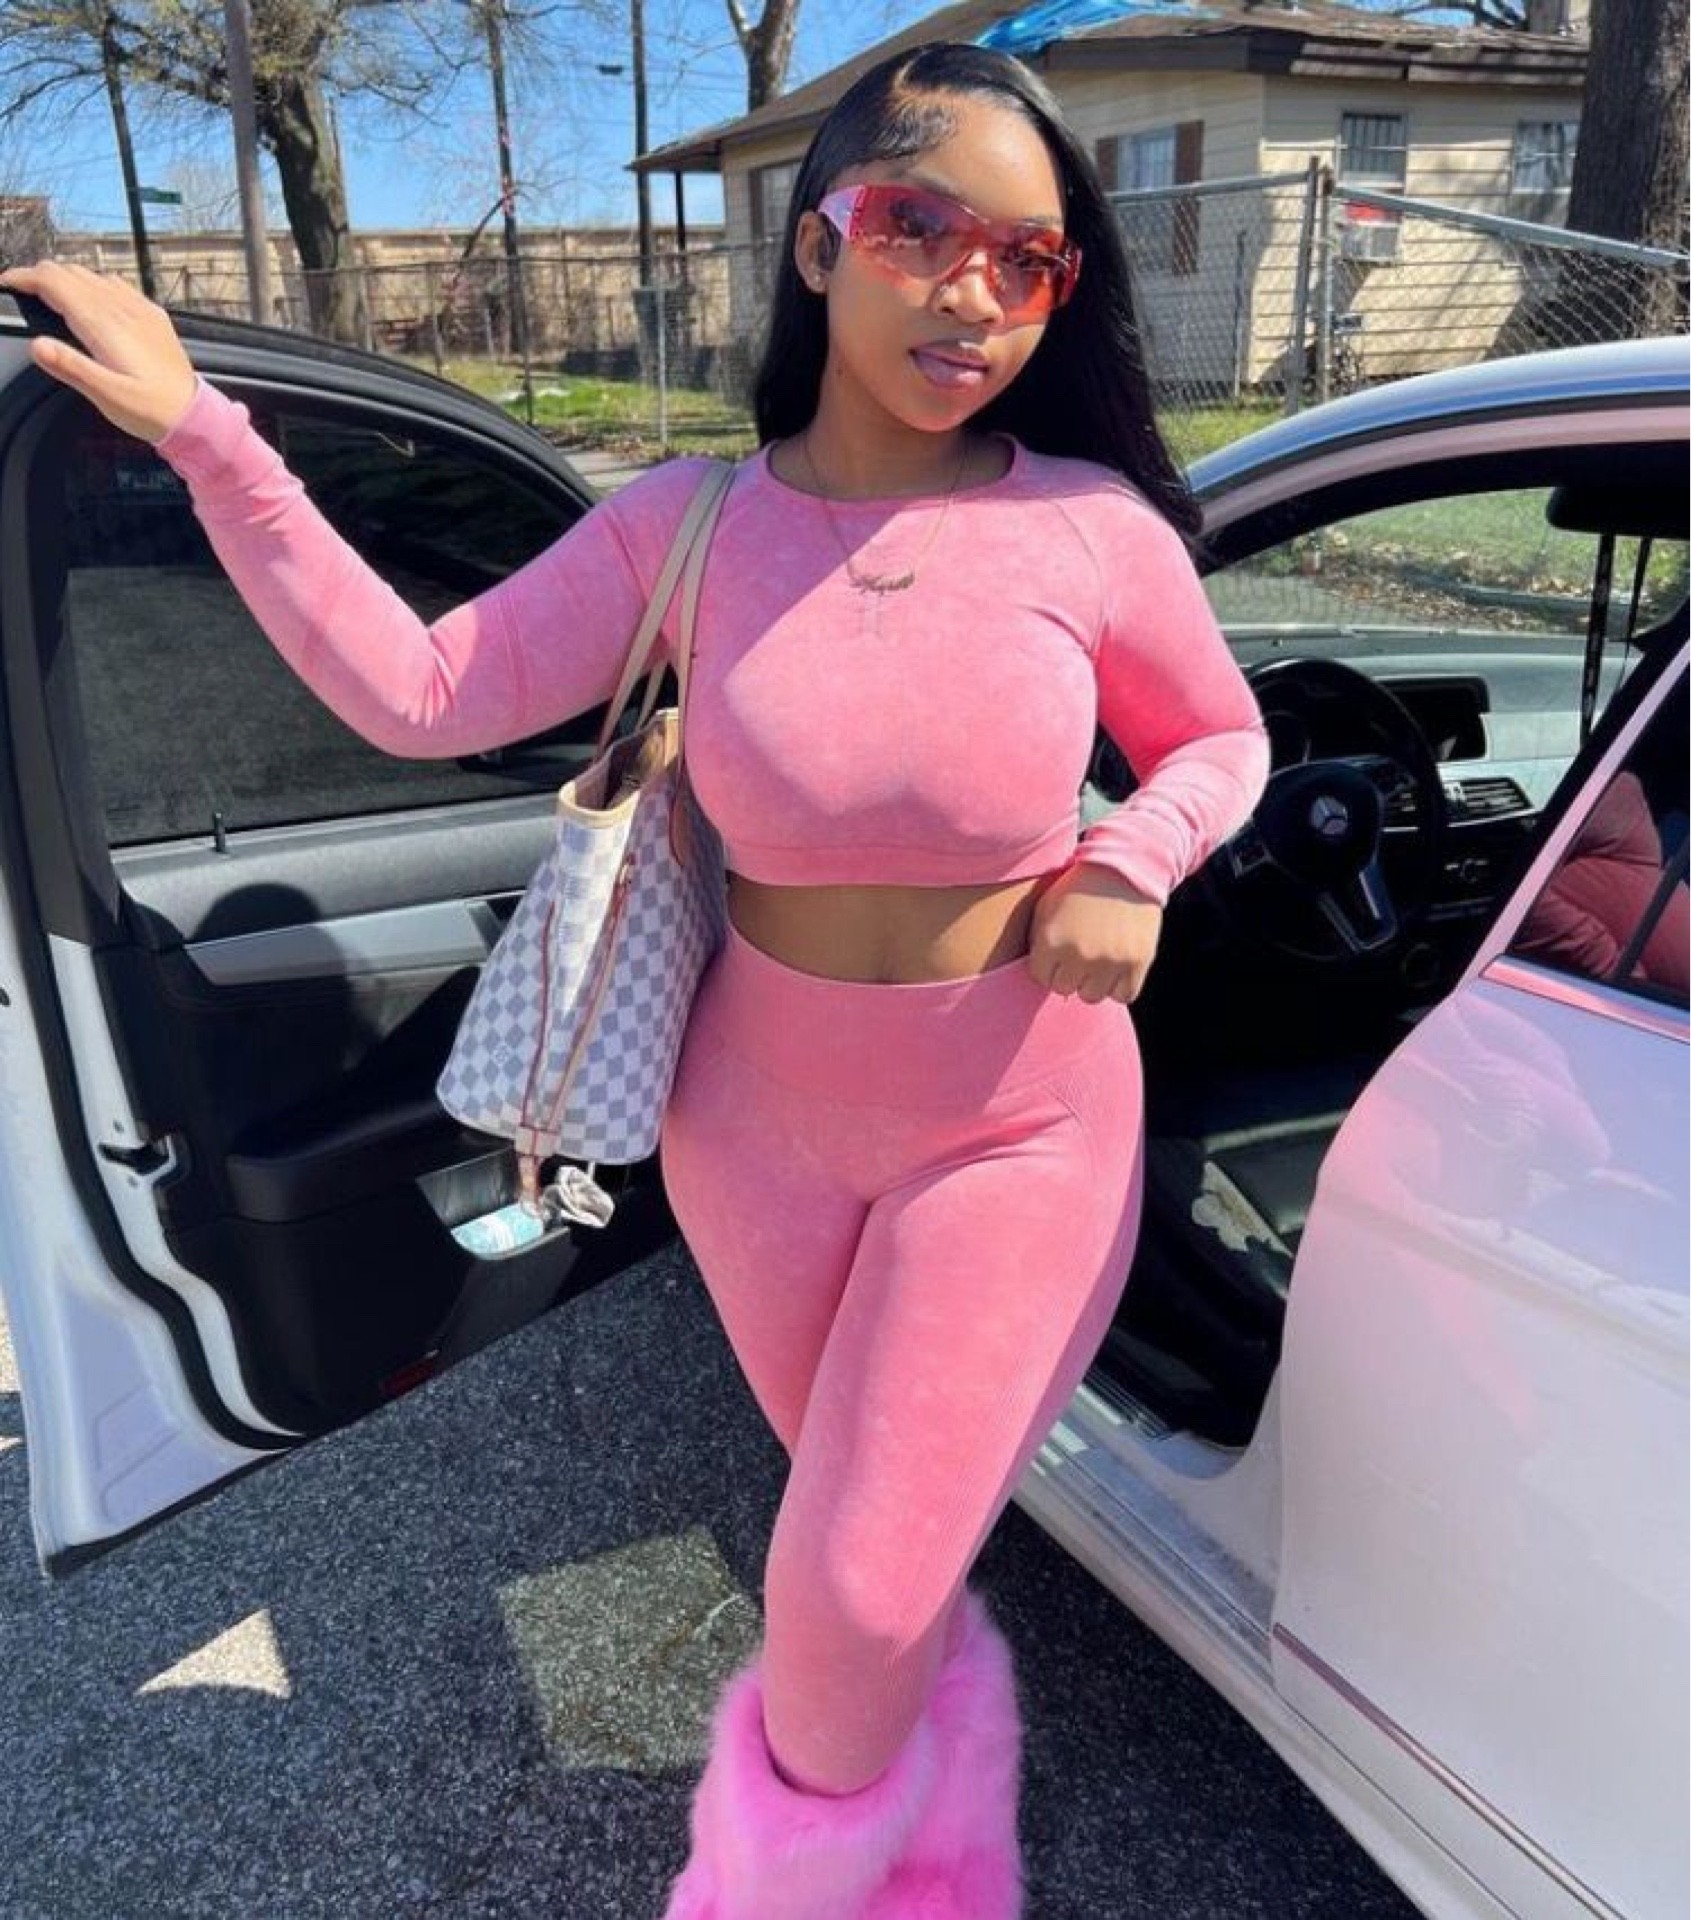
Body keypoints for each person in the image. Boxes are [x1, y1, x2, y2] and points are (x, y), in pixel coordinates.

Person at [3, 42, 1269, 1919]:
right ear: (819, 244)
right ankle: (926, 1846)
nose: (976, 295)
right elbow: (422, 693)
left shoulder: (1083, 527)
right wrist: (210, 435)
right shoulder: (688, 525)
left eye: (1030, 262)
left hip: (1011, 1124)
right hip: (753, 1132)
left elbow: (1220, 739)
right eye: (922, 230)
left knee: (851, 1589)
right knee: (865, 1562)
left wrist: (1129, 854)